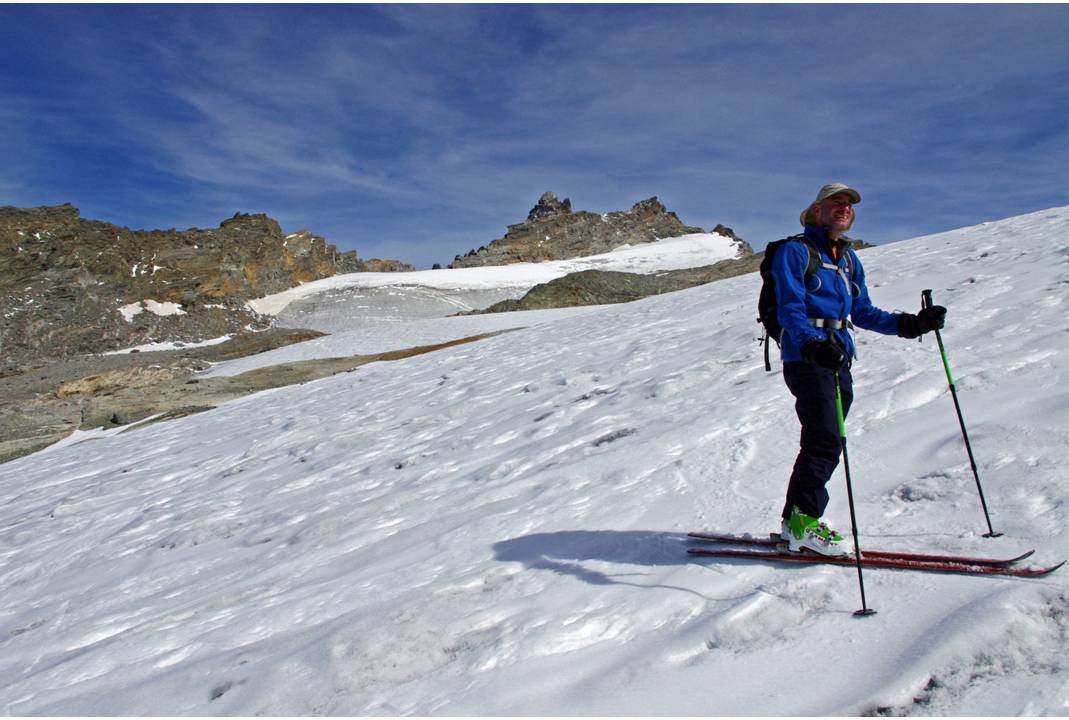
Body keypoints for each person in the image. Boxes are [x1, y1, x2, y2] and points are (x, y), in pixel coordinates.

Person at [772, 183, 946, 555]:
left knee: (824, 440)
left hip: (838, 360)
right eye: (836, 202)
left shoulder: (849, 260)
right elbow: (790, 307)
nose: (844, 208)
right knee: (825, 440)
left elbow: (863, 311)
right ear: (816, 210)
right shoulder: (794, 252)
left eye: (849, 204)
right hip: (807, 359)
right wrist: (813, 345)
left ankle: (794, 522)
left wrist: (912, 324)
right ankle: (804, 523)